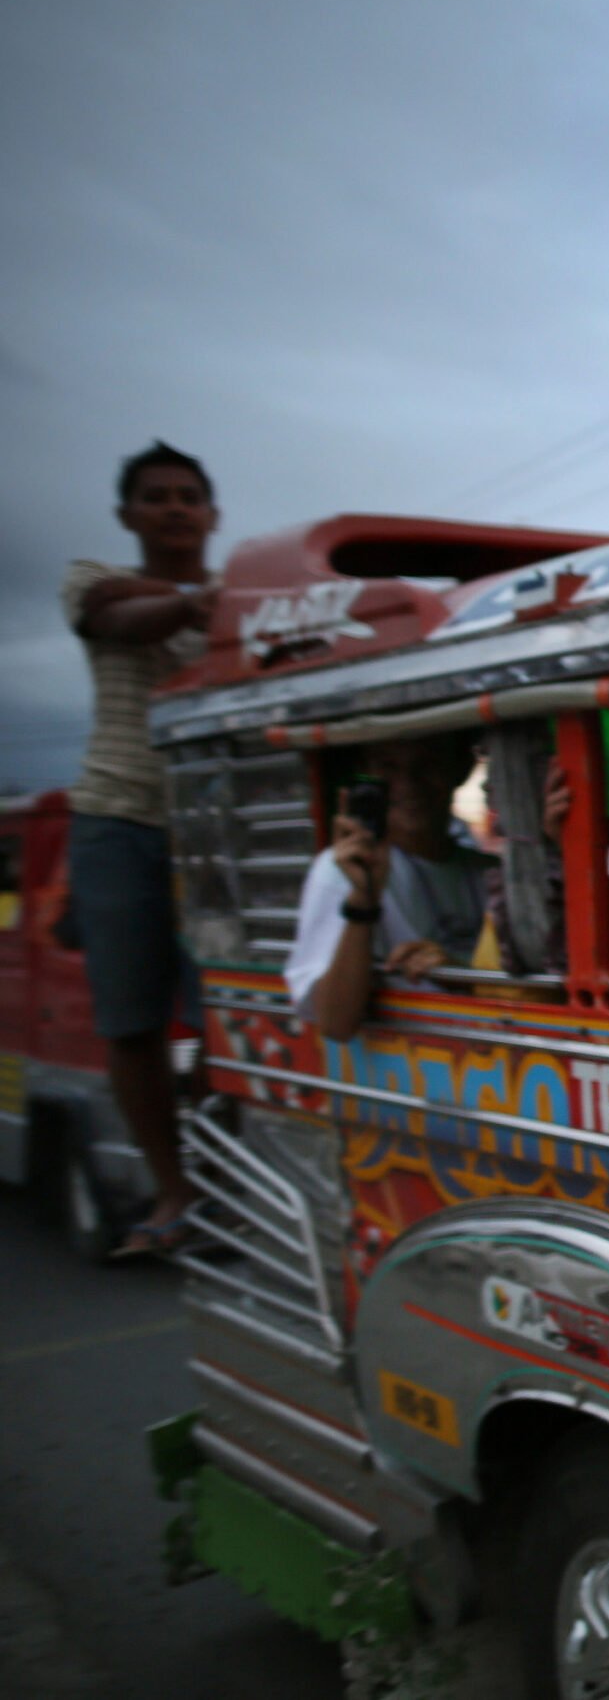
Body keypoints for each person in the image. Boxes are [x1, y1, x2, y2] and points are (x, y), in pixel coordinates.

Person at [63, 442, 218, 1255]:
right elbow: (117, 615)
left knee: (226, 1016)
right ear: (129, 515)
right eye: (156, 496)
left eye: (188, 496)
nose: (173, 507)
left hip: (213, 827)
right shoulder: (92, 580)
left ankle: (223, 1176)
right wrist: (201, 602)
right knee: (131, 1022)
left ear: (212, 514)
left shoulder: (236, 602)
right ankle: (172, 1186)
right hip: (118, 814)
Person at [285, 735, 492, 1041]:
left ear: (459, 768)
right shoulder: (342, 870)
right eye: (388, 768)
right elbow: (336, 1024)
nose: (408, 783)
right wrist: (363, 899)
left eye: (427, 765)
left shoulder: (486, 870)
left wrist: (458, 975)